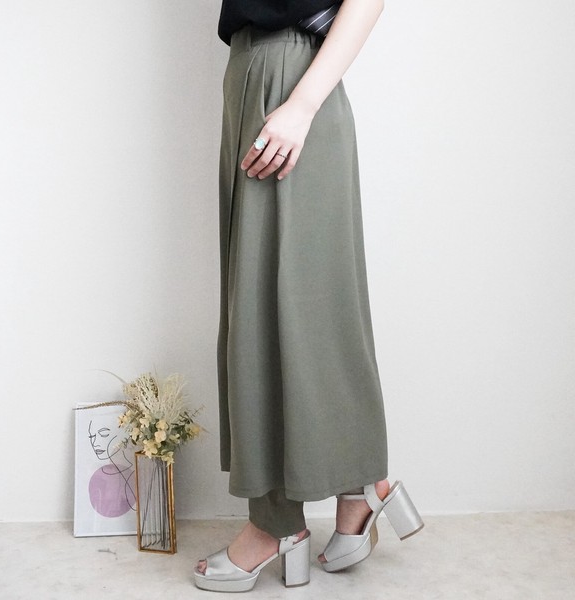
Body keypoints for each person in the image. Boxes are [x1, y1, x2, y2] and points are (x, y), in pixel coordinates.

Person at [194, 0, 423, 592]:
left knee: (278, 309)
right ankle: (358, 484)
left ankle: (275, 525)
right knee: (307, 299)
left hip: (289, 79)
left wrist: (299, 104)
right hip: (259, 73)